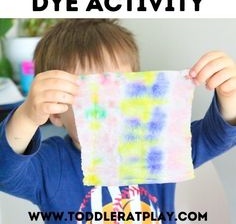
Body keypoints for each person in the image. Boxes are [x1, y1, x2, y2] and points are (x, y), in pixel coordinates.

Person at [0, 19, 236, 224]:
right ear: (57, 113)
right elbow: (5, 172)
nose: (109, 106)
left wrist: (229, 95)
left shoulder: (157, 144)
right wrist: (28, 116)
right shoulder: (51, 167)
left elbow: (215, 137)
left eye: (122, 89)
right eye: (92, 96)